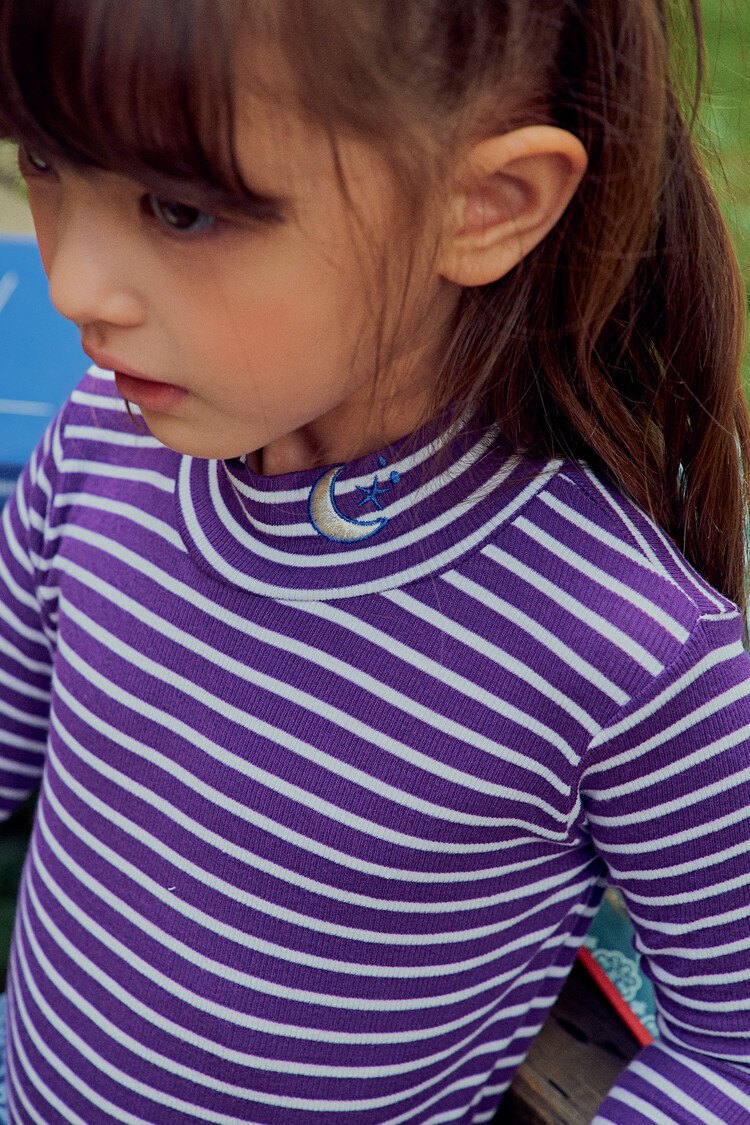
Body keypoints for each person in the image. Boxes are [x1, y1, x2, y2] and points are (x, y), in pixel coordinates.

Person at [0, 0, 747, 1121]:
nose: (74, 289)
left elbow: (733, 1047)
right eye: (45, 163)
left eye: (181, 209)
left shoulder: (628, 652)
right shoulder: (99, 442)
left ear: (486, 206)